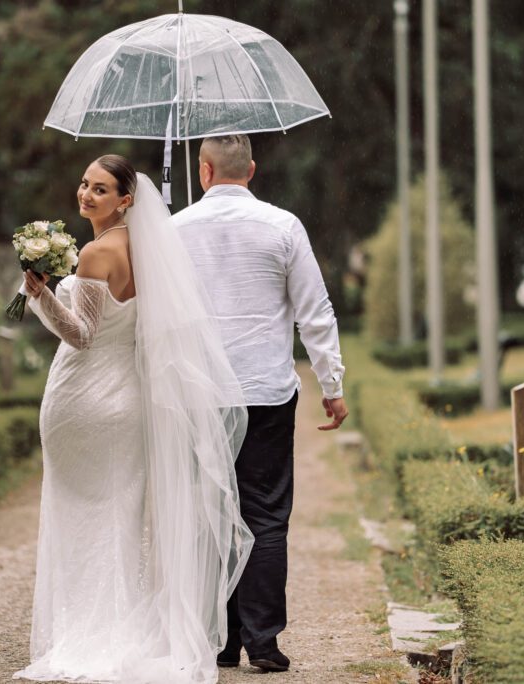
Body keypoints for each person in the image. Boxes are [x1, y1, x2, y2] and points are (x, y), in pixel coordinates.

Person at [12, 155, 253, 683]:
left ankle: (91, 635)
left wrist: (40, 295)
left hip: (83, 400)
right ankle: (117, 628)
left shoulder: (98, 252)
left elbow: (81, 335)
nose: (86, 195)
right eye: (83, 184)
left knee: (80, 520)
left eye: (100, 189)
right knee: (120, 522)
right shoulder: (148, 251)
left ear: (126, 199)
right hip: (129, 402)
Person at [173, 135, 349, 673]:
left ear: (203, 171)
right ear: (251, 169)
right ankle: (265, 641)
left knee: (210, 515)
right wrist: (332, 385)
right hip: (267, 392)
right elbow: (314, 311)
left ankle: (220, 641)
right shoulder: (283, 226)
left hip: (201, 396)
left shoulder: (173, 231)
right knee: (267, 515)